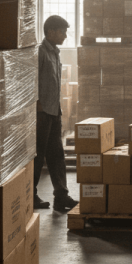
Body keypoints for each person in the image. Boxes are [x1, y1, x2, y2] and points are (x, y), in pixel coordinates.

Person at [34, 15, 78, 211]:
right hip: (42, 112)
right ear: (51, 32)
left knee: (56, 154)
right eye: (62, 31)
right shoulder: (40, 52)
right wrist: (37, 104)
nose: (65, 35)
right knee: (38, 155)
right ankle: (31, 195)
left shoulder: (55, 53)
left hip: (54, 111)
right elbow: (32, 81)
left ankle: (61, 196)